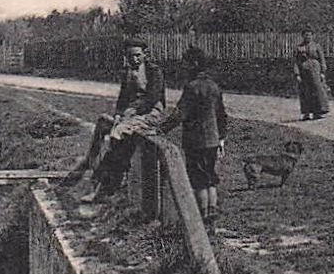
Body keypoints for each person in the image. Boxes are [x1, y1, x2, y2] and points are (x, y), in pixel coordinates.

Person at [72, 40, 166, 202]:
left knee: (116, 138)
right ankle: (94, 166)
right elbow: (123, 98)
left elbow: (153, 98)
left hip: (149, 112)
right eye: (130, 56)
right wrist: (118, 114)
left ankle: (106, 182)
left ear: (144, 54)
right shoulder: (127, 73)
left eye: (138, 55)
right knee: (107, 126)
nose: (134, 59)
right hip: (130, 113)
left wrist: (133, 110)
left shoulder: (153, 71)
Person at [157, 46, 228, 224]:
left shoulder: (191, 87)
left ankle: (202, 216)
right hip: (212, 140)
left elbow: (180, 114)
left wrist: (160, 129)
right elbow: (221, 115)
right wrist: (221, 138)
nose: (184, 68)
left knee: (198, 179)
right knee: (210, 176)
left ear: (194, 64)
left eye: (186, 64)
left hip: (196, 141)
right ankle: (212, 210)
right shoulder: (214, 86)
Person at [293, 29, 330, 121]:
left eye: (309, 35)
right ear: (302, 36)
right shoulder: (299, 47)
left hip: (315, 71)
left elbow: (322, 60)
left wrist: (322, 72)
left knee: (317, 91)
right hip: (304, 72)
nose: (308, 37)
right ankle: (306, 113)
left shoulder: (317, 46)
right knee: (305, 92)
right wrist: (297, 74)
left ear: (312, 36)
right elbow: (295, 62)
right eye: (306, 35)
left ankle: (317, 112)